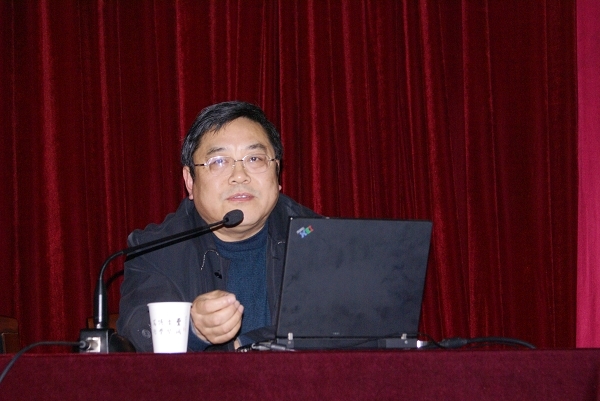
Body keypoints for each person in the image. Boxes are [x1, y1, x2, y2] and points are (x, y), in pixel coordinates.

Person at [117, 101, 319, 352]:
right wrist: (192, 328)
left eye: (254, 158)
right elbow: (138, 334)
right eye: (219, 161)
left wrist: (245, 343)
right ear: (190, 181)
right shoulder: (156, 250)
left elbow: (347, 329)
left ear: (277, 172)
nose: (239, 175)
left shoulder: (317, 239)